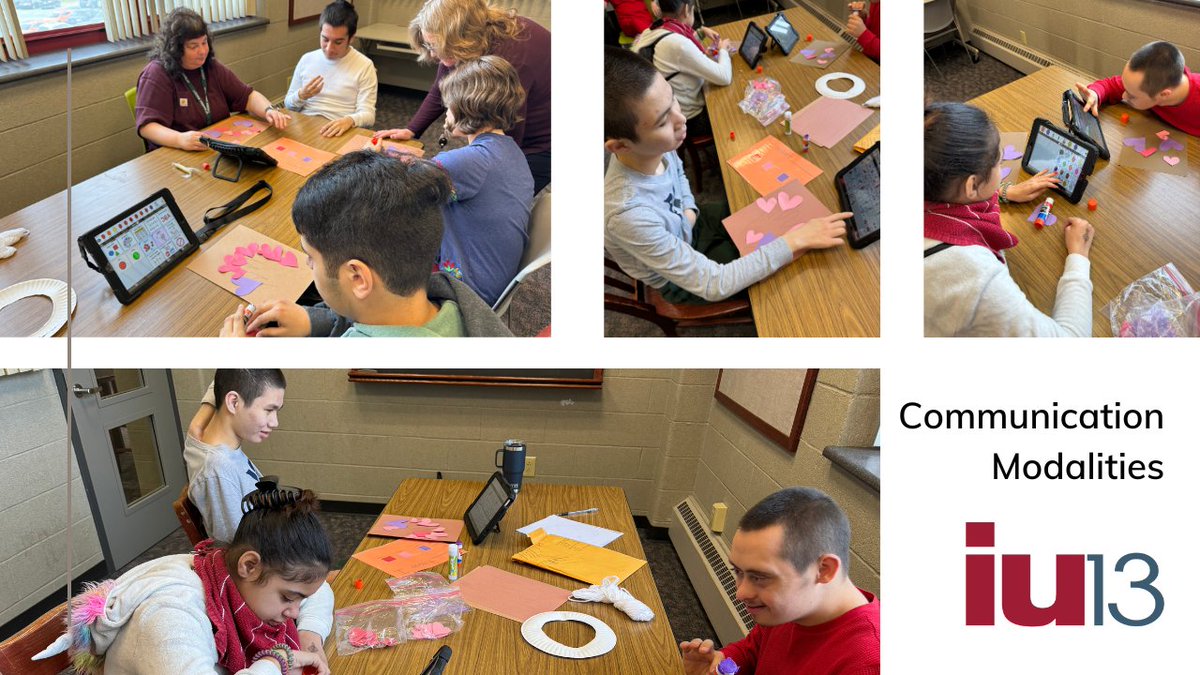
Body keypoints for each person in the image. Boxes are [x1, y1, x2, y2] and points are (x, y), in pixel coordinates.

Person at [604, 46, 850, 304]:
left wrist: (689, 211)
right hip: (678, 281)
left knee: (770, 216)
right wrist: (794, 241)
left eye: (673, 98)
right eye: (663, 121)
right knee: (790, 285)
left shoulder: (657, 147)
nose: (682, 119)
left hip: (689, 226)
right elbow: (715, 283)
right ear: (620, 146)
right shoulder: (627, 214)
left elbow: (679, 176)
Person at [219, 151, 513, 337]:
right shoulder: (450, 304)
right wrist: (312, 319)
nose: (307, 263)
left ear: (357, 277)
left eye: (310, 257)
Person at [54, 483, 334, 675]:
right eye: (287, 597)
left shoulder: (222, 570)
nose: (293, 613)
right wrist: (278, 660)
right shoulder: (170, 614)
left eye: (299, 600)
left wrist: (309, 637)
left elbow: (317, 590)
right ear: (249, 565)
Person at [923, 102, 1095, 337]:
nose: (1001, 164)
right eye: (998, 161)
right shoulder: (977, 278)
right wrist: (1079, 257)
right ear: (971, 185)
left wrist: (1004, 191)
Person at [679, 487, 880, 675]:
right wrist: (721, 663)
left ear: (823, 570)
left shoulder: (869, 664)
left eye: (759, 577)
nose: (740, 593)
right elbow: (754, 650)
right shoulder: (793, 608)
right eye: (738, 571)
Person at [373, 0, 552, 193]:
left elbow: (505, 145)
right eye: (430, 45)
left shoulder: (509, 64)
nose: (433, 55)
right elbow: (440, 88)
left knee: (500, 195)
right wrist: (412, 130)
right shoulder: (464, 36)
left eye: (437, 48)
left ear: (462, 42)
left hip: (540, 142)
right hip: (507, 132)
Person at [432, 55, 534, 307]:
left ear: (466, 107)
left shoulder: (469, 161)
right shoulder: (511, 151)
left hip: (465, 294)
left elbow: (397, 180)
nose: (446, 111)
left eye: (449, 105)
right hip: (493, 282)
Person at [135, 7, 290, 152]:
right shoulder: (156, 73)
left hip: (212, 146)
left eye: (204, 42)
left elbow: (247, 96)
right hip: (176, 151)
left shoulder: (210, 67)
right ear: (175, 48)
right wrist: (179, 139)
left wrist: (269, 110)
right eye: (193, 46)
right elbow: (147, 127)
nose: (202, 51)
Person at [183, 369, 283, 544]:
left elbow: (224, 381)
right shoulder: (218, 471)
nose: (275, 422)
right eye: (268, 410)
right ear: (233, 402)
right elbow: (241, 551)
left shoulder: (198, 431)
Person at [632, 0, 731, 139]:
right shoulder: (677, 44)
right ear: (686, 9)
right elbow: (724, 77)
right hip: (688, 121)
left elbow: (679, 44)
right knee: (734, 108)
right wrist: (723, 50)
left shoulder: (653, 30)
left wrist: (701, 32)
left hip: (660, 118)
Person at [284, 0, 378, 138]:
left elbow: (369, 115)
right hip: (306, 124)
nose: (329, 48)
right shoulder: (307, 59)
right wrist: (301, 95)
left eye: (338, 42)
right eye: (325, 39)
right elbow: (288, 105)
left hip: (340, 129)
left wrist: (349, 120)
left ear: (351, 38)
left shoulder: (364, 66)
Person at [1074, 41, 1199, 135]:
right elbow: (1109, 85)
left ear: (1164, 94)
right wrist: (1095, 94)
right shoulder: (1151, 82)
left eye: (1132, 95)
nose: (1123, 96)